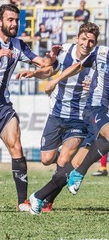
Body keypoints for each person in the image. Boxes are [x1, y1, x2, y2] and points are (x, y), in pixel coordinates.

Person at [28, 18, 109, 215]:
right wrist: (54, 81)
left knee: (73, 165)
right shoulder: (101, 54)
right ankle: (80, 174)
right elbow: (77, 66)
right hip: (94, 109)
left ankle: (39, 197)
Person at [17, 22, 100, 212]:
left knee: (63, 161)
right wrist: (34, 73)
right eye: (84, 39)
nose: (87, 44)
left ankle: (48, 199)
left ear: (95, 44)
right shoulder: (64, 52)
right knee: (46, 159)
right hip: (56, 114)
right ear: (78, 38)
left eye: (91, 42)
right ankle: (67, 171)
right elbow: (49, 70)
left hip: (79, 118)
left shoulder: (97, 60)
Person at [0, 4, 58, 211]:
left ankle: (22, 202)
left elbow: (43, 63)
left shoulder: (19, 45)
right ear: (0, 22)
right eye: (10, 20)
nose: (14, 23)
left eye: (16, 20)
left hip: (2, 105)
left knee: (16, 146)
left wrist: (51, 57)